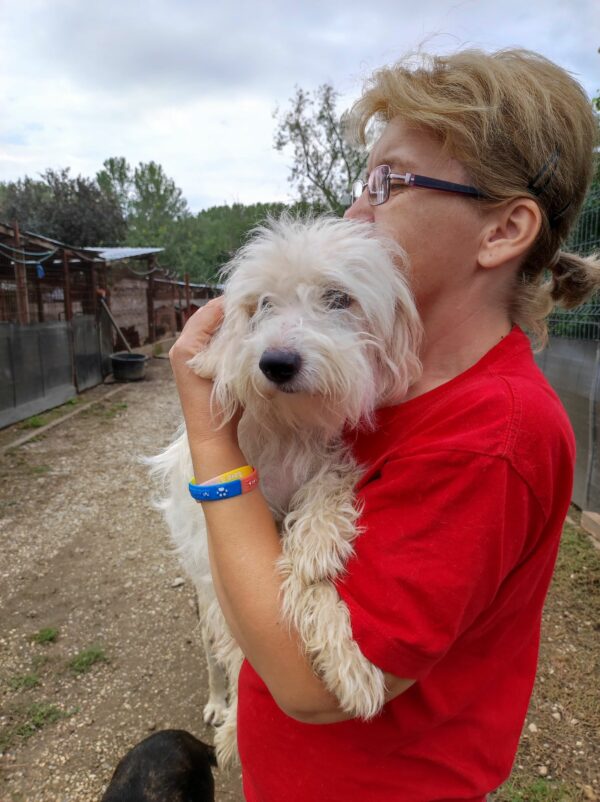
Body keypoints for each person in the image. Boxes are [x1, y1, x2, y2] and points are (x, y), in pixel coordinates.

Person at [168, 49, 600, 802]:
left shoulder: (493, 436)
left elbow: (312, 684)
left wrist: (212, 443)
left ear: (502, 230)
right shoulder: (378, 385)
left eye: (387, 183)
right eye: (360, 183)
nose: (354, 212)